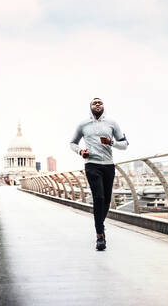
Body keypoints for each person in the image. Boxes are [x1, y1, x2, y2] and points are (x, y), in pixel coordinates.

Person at [70, 98, 128, 251]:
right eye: (94, 103)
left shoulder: (112, 123)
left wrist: (111, 142)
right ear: (90, 107)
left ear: (103, 107)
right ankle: (100, 236)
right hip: (92, 165)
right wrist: (81, 151)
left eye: (100, 102)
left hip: (108, 165)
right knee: (99, 198)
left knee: (107, 200)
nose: (97, 104)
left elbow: (125, 145)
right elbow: (72, 143)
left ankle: (99, 224)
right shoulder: (83, 125)